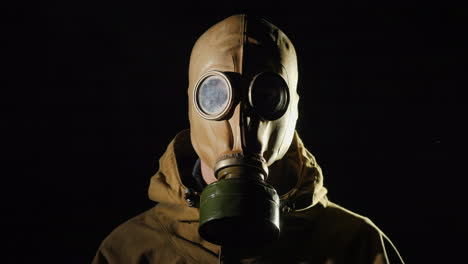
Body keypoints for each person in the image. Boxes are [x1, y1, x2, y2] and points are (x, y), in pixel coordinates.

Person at [92, 14, 404, 264]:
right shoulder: (129, 252)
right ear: (192, 105)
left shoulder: (356, 247)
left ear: (293, 109)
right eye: (216, 95)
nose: (241, 122)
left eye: (267, 96)